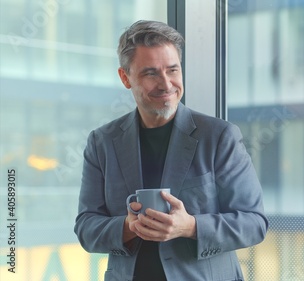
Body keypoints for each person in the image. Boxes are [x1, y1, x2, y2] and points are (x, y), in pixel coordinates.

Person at [74, 20, 268, 281]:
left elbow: (254, 224)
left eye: (173, 70)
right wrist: (127, 227)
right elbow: (86, 228)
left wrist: (191, 226)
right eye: (151, 73)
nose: (166, 84)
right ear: (125, 77)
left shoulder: (220, 136)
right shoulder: (102, 142)